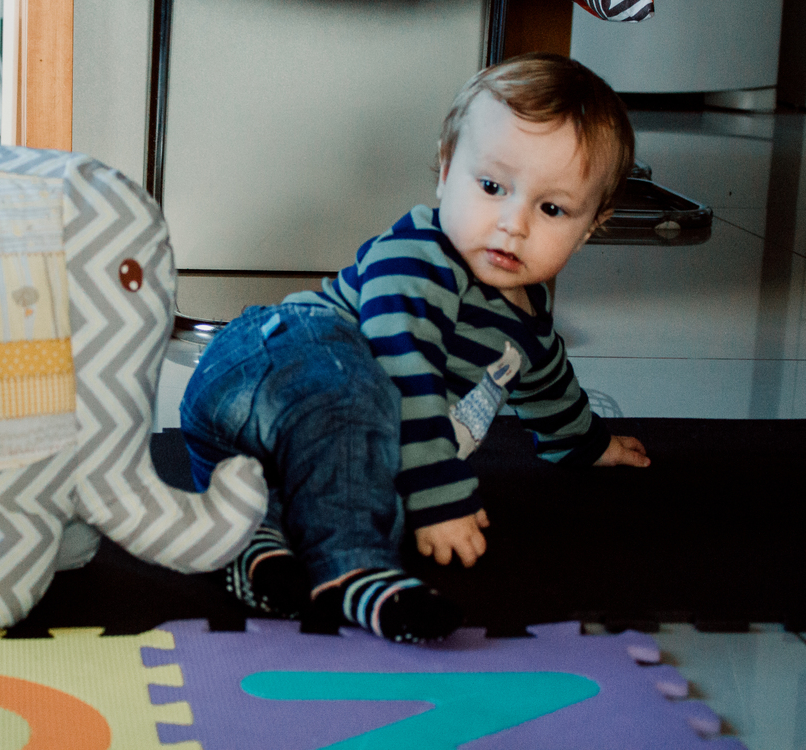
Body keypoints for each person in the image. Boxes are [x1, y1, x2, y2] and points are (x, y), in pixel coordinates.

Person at [178, 52, 652, 644]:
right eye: (492, 187)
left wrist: (587, 444)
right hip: (268, 364)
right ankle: (354, 572)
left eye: (551, 208)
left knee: (355, 483)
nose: (514, 224)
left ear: (590, 228)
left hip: (281, 451)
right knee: (367, 400)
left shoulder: (526, 326)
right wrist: (439, 500)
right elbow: (406, 369)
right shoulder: (419, 259)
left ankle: (252, 548)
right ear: (445, 171)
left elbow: (550, 387)